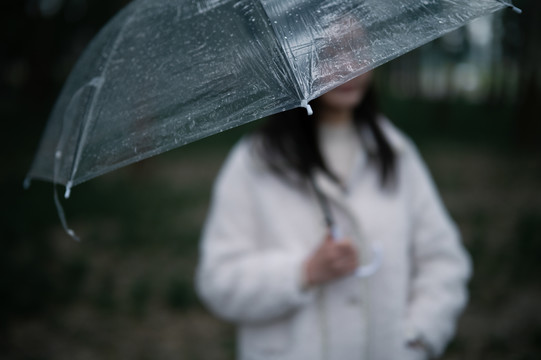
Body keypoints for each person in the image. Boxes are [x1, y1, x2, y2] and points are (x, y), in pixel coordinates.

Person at [195, 71, 471, 360]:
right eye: (329, 52)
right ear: (297, 63)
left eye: (357, 47)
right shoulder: (254, 162)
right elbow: (217, 281)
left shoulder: (398, 153)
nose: (348, 67)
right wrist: (302, 273)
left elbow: (444, 262)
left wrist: (418, 340)